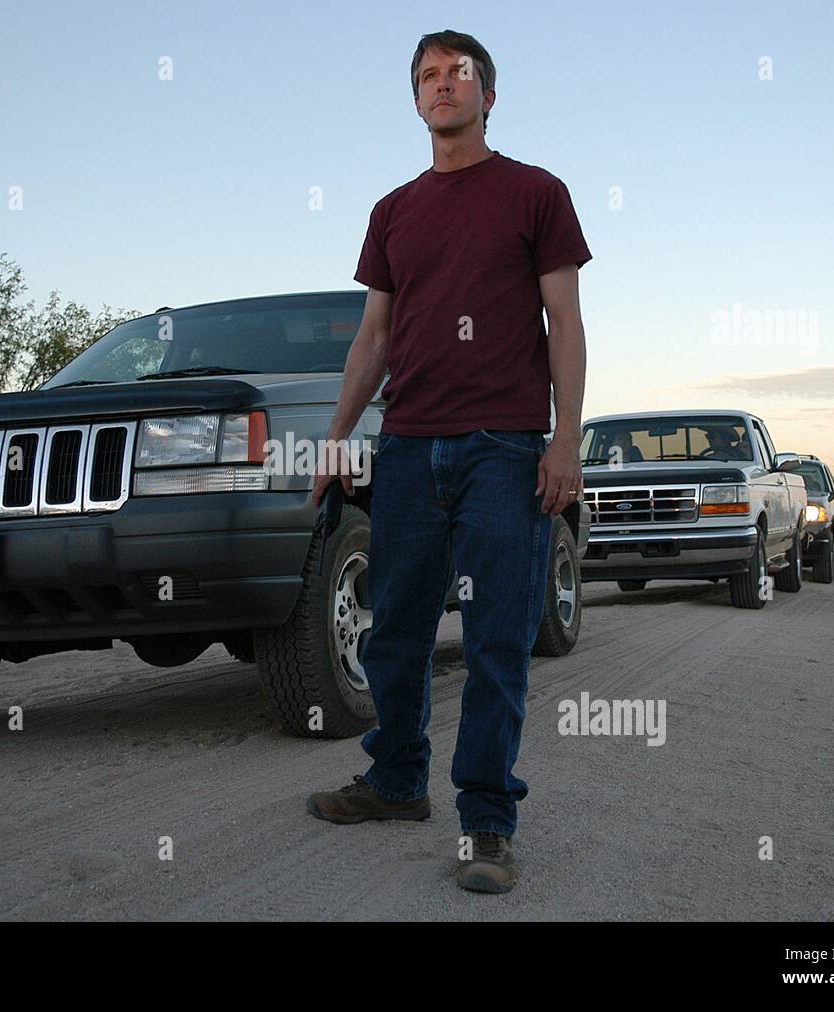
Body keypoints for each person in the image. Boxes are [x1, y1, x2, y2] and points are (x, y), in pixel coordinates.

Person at [305, 30, 591, 894]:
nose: (441, 85)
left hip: (504, 446)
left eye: (457, 73)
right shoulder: (393, 211)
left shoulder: (536, 193)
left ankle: (487, 823)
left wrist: (566, 438)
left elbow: (565, 323)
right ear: (416, 99)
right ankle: (396, 780)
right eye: (427, 76)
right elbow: (374, 336)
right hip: (408, 446)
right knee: (396, 628)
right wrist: (338, 434)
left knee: (497, 635)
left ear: (487, 95)